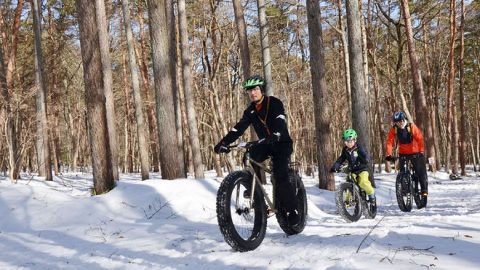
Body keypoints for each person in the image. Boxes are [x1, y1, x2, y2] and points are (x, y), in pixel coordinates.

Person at [214, 75, 300, 226]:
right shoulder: (250, 111)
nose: (252, 93)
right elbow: (238, 128)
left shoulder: (274, 103)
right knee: (250, 155)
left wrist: (277, 133)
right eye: (249, 91)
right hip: (265, 144)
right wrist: (223, 142)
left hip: (281, 142)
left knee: (280, 175)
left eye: (255, 89)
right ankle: (255, 190)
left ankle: (293, 210)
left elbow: (280, 119)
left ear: (262, 90)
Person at [385, 111, 428, 199]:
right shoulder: (394, 129)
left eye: (400, 121)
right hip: (403, 153)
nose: (399, 123)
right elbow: (389, 142)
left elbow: (420, 138)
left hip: (416, 152)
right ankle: (404, 189)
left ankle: (424, 190)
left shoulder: (411, 127)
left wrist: (421, 151)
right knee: (402, 171)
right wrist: (388, 154)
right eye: (397, 122)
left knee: (420, 171)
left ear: (404, 119)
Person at [330, 128, 376, 209]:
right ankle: (346, 203)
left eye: (350, 141)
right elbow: (341, 159)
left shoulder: (358, 147)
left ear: (355, 140)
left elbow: (364, 153)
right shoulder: (345, 150)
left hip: (362, 169)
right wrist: (335, 167)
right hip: (352, 170)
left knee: (363, 182)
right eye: (346, 141)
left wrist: (366, 159)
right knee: (349, 182)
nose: (348, 143)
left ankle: (372, 195)